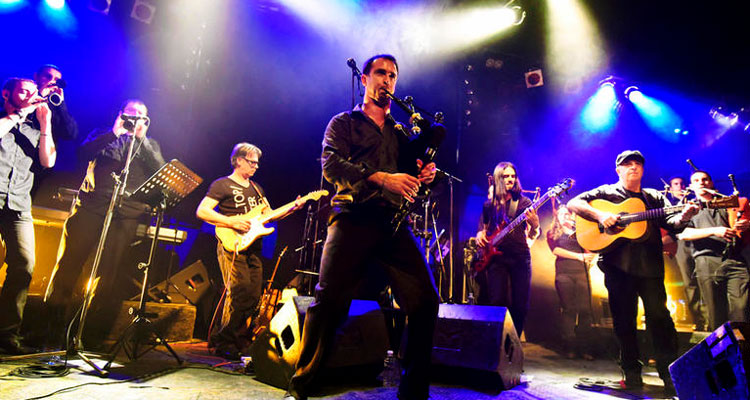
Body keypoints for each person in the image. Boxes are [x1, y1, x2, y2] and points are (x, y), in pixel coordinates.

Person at [285, 54, 439, 400]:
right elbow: (331, 164)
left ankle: (414, 392)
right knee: (329, 304)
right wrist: (381, 177)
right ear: (365, 79)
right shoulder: (343, 123)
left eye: (393, 76)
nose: (387, 81)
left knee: (426, 301)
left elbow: (411, 182)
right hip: (352, 218)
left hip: (392, 223)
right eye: (380, 73)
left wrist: (423, 178)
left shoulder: (401, 135)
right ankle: (303, 386)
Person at [567, 150, 698, 395]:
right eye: (627, 164)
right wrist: (601, 215)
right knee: (623, 322)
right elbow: (573, 203)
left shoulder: (654, 197)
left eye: (638, 163)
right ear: (618, 169)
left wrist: (686, 216)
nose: (633, 167)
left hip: (650, 269)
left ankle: (668, 374)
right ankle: (631, 372)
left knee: (661, 321)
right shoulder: (606, 192)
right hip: (617, 268)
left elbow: (672, 224)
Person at [45, 99, 165, 349]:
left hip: (126, 216)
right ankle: (52, 329)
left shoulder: (150, 145)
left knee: (107, 275)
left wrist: (142, 139)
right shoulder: (104, 134)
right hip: (92, 208)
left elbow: (160, 173)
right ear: (121, 114)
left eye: (142, 115)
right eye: (131, 115)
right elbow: (82, 154)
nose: (136, 119)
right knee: (70, 265)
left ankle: (89, 335)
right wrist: (114, 133)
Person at [196, 142, 302, 360]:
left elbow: (269, 215)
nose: (256, 166)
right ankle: (224, 341)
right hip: (232, 244)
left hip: (253, 246)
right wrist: (231, 222)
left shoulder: (257, 188)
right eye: (252, 162)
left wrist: (292, 208)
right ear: (239, 160)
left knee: (253, 295)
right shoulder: (222, 185)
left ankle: (240, 340)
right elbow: (203, 211)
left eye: (257, 163)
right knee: (238, 291)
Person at [0, 77, 56, 354]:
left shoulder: (35, 131)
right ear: (6, 94)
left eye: (34, 93)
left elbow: (49, 160)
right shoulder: (4, 120)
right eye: (24, 91)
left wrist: (45, 124)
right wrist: (18, 115)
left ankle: (7, 336)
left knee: (24, 264)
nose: (30, 97)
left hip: (19, 204)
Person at [677, 170, 750, 330]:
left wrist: (745, 226)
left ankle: (743, 352)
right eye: (696, 180)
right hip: (707, 262)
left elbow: (743, 226)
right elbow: (683, 234)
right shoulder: (688, 209)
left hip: (735, 259)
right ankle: (720, 354)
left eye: (705, 179)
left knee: (742, 311)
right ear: (691, 187)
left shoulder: (729, 203)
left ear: (711, 183)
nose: (701, 182)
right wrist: (715, 230)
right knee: (716, 314)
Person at [474, 161, 539, 336]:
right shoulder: (489, 204)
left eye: (513, 176)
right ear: (498, 179)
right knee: (497, 301)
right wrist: (480, 233)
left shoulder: (524, 202)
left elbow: (534, 232)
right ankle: (498, 341)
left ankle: (515, 341)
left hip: (519, 256)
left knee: (520, 303)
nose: (510, 179)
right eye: (506, 176)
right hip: (496, 258)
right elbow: (484, 226)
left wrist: (534, 224)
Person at [546, 205, 595, 359]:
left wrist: (591, 256)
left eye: (567, 214)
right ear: (557, 217)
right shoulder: (553, 233)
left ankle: (585, 347)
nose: (565, 216)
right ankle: (569, 347)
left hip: (582, 273)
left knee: (585, 310)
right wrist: (579, 257)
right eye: (561, 214)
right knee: (569, 309)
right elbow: (556, 251)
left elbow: (592, 247)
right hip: (564, 274)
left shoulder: (579, 231)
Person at [663, 176, 707, 330]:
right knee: (689, 283)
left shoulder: (695, 199)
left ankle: (711, 318)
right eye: (676, 184)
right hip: (680, 244)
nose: (679, 186)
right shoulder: (668, 203)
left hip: (701, 242)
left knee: (705, 281)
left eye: (682, 183)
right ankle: (699, 320)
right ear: (670, 187)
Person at [30, 64, 78, 198]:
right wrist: (40, 95)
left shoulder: (56, 106)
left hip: (39, 165)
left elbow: (70, 134)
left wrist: (61, 104)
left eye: (56, 79)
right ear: (36, 77)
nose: (52, 81)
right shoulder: (23, 97)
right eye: (48, 76)